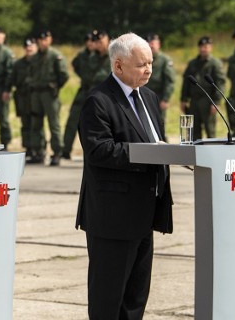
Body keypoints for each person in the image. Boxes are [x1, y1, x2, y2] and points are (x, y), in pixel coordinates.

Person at [76, 32, 173, 319]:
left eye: (151, 63)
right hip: (113, 218)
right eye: (142, 64)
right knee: (109, 299)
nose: (149, 70)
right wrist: (147, 155)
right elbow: (99, 150)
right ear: (118, 66)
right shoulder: (99, 101)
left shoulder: (150, 98)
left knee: (135, 299)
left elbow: (157, 142)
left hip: (145, 213)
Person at [63, 30, 110, 159]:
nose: (98, 44)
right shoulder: (90, 56)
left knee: (99, 124)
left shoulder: (114, 55)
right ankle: (65, 149)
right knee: (74, 119)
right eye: (96, 42)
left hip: (104, 94)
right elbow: (80, 67)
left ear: (107, 40)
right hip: (86, 91)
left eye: (100, 41)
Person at [28, 30, 69, 166]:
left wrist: (55, 87)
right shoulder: (34, 58)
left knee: (54, 124)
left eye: (45, 39)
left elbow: (64, 75)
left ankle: (57, 152)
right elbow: (30, 74)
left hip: (49, 94)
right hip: (36, 94)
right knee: (36, 124)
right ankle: (39, 151)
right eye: (40, 40)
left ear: (50, 40)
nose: (42, 42)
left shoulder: (55, 56)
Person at [180, 36, 226, 140]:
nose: (203, 49)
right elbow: (186, 82)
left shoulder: (215, 63)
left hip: (208, 101)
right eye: (201, 46)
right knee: (194, 131)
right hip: (194, 101)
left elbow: (220, 83)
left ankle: (211, 155)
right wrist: (183, 99)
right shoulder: (193, 63)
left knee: (210, 131)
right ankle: (196, 154)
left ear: (211, 48)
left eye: (206, 46)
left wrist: (216, 102)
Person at [9, 37, 42, 159]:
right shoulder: (18, 64)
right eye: (27, 46)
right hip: (22, 97)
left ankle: (39, 149)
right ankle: (28, 148)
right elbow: (12, 79)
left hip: (35, 96)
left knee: (37, 123)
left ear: (36, 47)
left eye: (32, 46)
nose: (29, 48)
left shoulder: (40, 61)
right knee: (25, 123)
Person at [144, 33, 175, 127]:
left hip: (159, 96)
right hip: (144, 95)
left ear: (159, 44)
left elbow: (169, 81)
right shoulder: (142, 59)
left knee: (159, 124)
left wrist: (165, 99)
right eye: (148, 43)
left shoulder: (164, 60)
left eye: (153, 43)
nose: (150, 45)